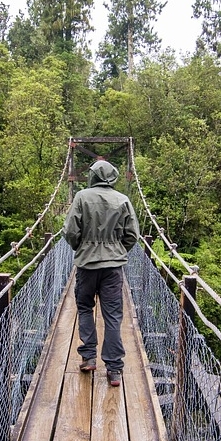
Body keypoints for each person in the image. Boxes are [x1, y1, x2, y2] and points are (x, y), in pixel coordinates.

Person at [63, 160, 139, 387]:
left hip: (87, 265)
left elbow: (70, 231)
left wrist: (82, 247)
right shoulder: (123, 200)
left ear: (92, 176)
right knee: (113, 315)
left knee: (85, 307)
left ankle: (88, 357)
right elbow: (132, 235)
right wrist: (116, 251)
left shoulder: (81, 197)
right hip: (113, 268)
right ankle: (114, 369)